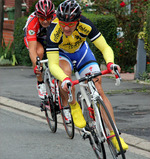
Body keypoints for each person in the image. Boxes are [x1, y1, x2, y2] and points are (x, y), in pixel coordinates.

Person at [46, 0, 128, 151]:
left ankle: (114, 135)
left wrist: (110, 63)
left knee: (99, 89)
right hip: (63, 57)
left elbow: (104, 47)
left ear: (78, 21)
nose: (66, 27)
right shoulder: (53, 30)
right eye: (63, 23)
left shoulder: (86, 24)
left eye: (70, 24)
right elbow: (52, 65)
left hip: (82, 53)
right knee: (65, 78)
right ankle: (73, 105)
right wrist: (64, 79)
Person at [24, 0, 55, 100]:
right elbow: (32, 49)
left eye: (48, 18)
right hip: (35, 39)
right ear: (37, 15)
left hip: (49, 37)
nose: (45, 21)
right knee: (39, 52)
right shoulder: (32, 22)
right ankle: (40, 82)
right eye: (42, 18)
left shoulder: (57, 18)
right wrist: (37, 65)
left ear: (53, 15)